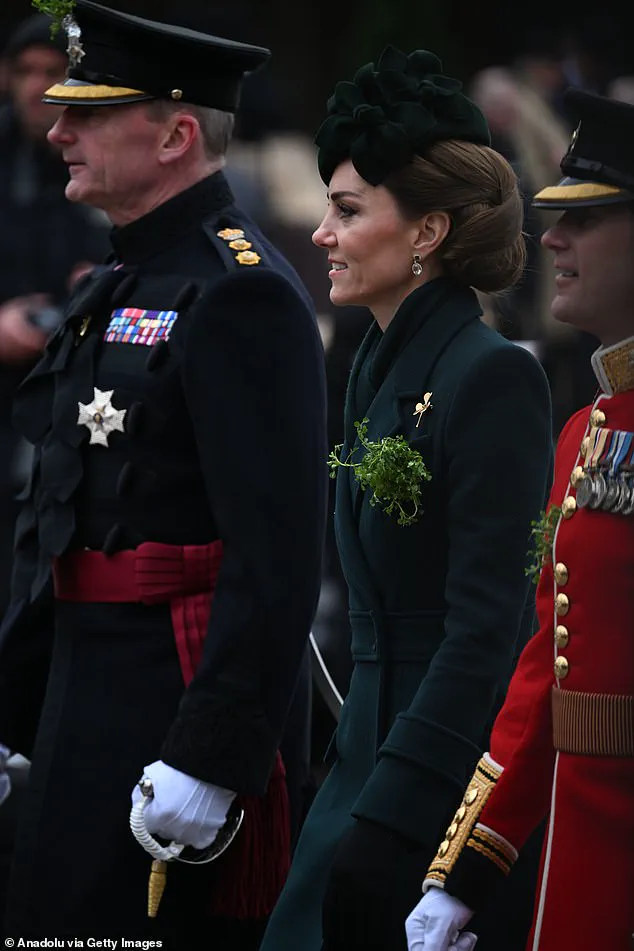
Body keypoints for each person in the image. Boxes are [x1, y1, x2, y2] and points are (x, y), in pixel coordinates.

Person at [0, 1, 327, 947]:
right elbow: (61, 517)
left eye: (92, 112)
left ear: (178, 132)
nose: (58, 128)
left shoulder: (242, 290)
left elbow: (275, 559)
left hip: (164, 708)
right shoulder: (124, 278)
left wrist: (211, 757)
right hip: (80, 692)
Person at [260, 45, 553, 951]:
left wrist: (391, 813)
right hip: (363, 762)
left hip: (429, 781)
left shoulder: (490, 376)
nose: (320, 232)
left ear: (426, 233)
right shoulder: (375, 369)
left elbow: (485, 632)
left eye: (347, 211)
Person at [405, 88, 634, 951]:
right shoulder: (587, 429)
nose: (553, 239)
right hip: (575, 865)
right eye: (553, 216)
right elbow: (546, 677)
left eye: (591, 217)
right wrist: (464, 874)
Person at [0, 11, 110, 621]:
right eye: (27, 71)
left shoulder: (98, 159)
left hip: (74, 391)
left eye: (54, 73)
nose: (39, 87)